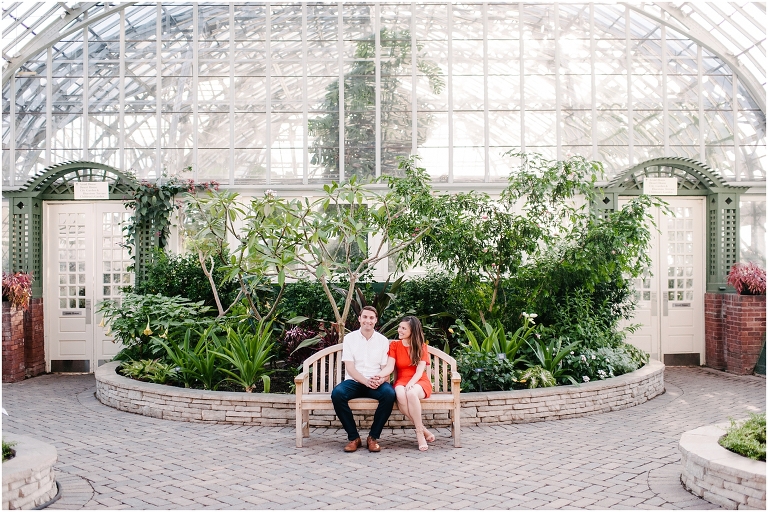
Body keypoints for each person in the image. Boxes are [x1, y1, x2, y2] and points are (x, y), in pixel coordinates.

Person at [331, 306, 396, 453]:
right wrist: (365, 381)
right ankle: (354, 438)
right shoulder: (350, 339)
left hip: (375, 381)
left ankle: (373, 438)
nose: (368, 320)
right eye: (365, 317)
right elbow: (350, 368)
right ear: (359, 319)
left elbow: (386, 368)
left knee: (389, 394)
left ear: (376, 321)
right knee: (337, 394)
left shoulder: (382, 340)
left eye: (371, 318)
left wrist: (380, 380)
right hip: (354, 381)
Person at [374, 315, 435, 451]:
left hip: (419, 381)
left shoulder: (421, 346)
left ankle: (419, 434)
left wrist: (411, 384)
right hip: (401, 380)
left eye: (403, 328)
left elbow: (419, 371)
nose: (399, 330)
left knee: (411, 393)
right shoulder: (395, 345)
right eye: (399, 327)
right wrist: (378, 376)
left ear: (412, 331)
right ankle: (423, 429)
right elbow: (389, 367)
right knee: (400, 394)